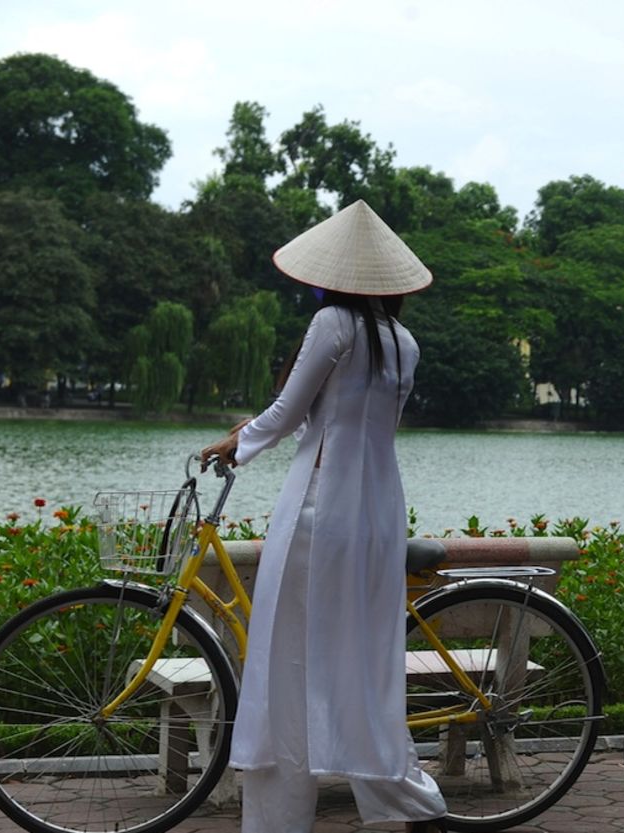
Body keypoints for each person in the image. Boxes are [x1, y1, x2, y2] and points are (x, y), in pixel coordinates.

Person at [201, 200, 447, 833]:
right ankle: (400, 800)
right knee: (359, 662)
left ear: (334, 274)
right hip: (377, 514)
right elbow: (364, 427)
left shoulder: (333, 324)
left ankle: (278, 820)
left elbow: (288, 413)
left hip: (319, 516)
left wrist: (237, 442)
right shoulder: (405, 341)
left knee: (288, 664)